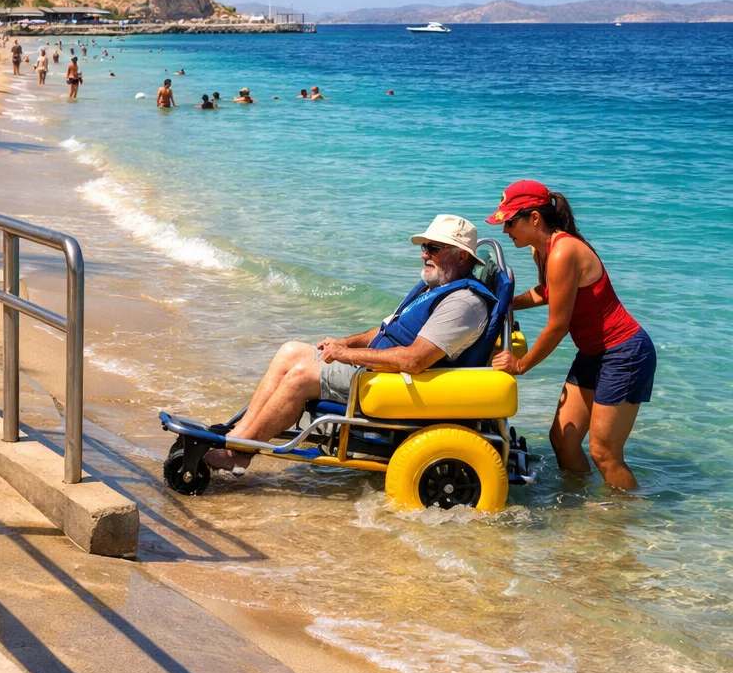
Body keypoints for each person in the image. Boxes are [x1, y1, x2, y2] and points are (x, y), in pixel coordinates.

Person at [204, 216, 492, 472]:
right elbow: (386, 330)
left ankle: (237, 451)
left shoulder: (463, 303)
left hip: (400, 382)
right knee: (290, 351)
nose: (424, 255)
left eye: (434, 249)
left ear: (461, 258)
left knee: (302, 376)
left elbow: (415, 360)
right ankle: (238, 435)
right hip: (383, 368)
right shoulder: (436, 289)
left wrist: (347, 355)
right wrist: (345, 343)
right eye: (424, 248)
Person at [487, 180, 655, 491]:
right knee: (563, 440)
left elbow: (558, 326)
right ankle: (578, 505)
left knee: (604, 453)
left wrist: (520, 365)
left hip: (624, 352)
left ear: (534, 218)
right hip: (594, 353)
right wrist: (508, 304)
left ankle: (627, 517)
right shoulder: (543, 251)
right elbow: (549, 292)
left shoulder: (563, 251)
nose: (505, 231)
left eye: (510, 222)